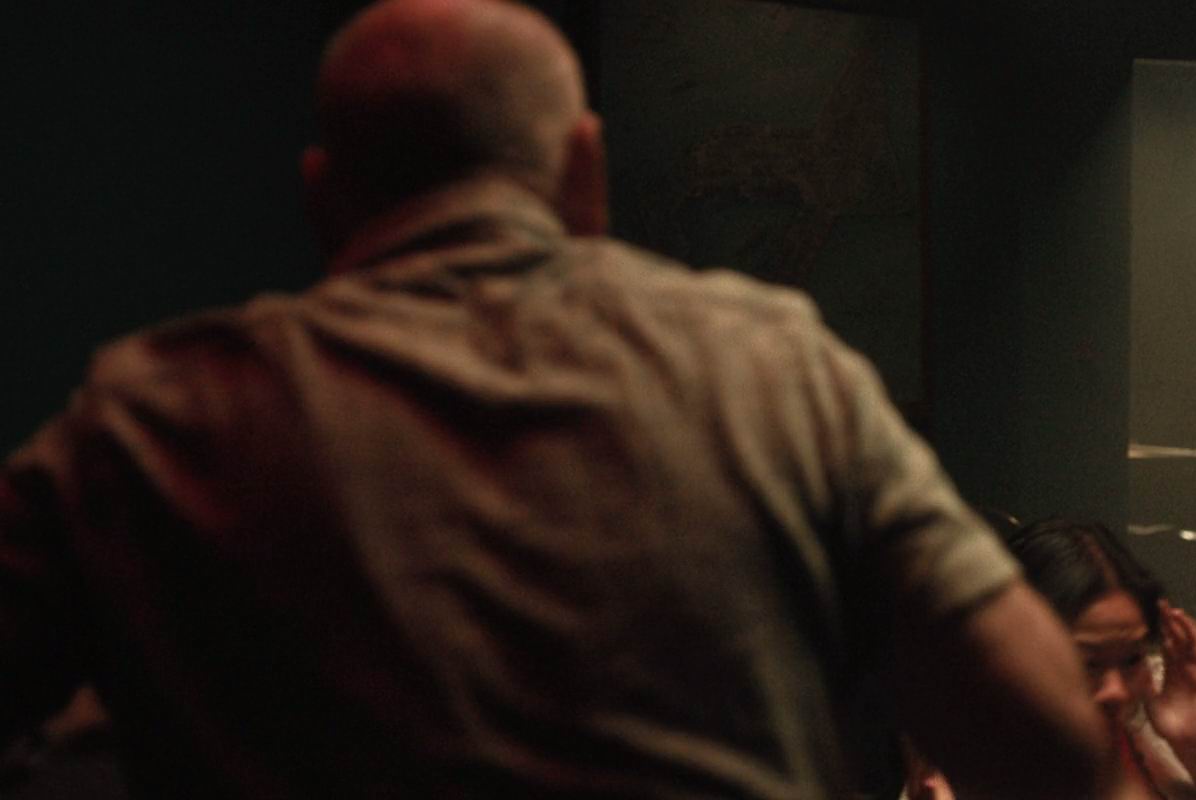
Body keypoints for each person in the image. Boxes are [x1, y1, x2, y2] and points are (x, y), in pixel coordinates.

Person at [0, 1, 1122, 797]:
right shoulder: (778, 371)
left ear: (322, 196)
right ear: (586, 169)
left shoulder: (156, 415)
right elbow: (1042, 741)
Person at [905, 518, 1196, 800]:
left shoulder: (1136, 741)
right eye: (1088, 664)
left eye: (1132, 659)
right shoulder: (972, 765)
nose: (1116, 691)